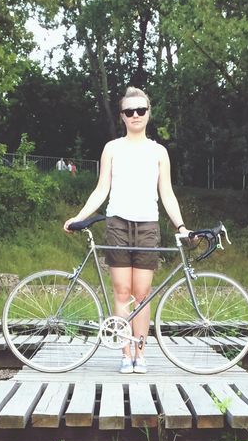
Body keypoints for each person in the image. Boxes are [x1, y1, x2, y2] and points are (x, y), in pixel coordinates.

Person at [64, 87, 188, 374]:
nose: (135, 115)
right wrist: (79, 216)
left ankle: (140, 353)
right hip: (117, 224)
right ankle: (125, 352)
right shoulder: (113, 148)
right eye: (129, 111)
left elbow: (167, 194)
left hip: (147, 227)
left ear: (148, 113)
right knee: (122, 292)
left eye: (140, 110)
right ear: (122, 116)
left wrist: (181, 225)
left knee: (142, 293)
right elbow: (101, 189)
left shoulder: (159, 152)